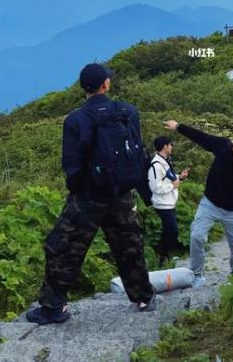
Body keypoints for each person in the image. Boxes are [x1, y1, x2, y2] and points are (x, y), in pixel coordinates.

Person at [26, 63, 156, 325]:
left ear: (83, 88)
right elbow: (138, 152)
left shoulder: (75, 120)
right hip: (121, 194)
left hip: (88, 197)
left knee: (62, 247)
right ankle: (144, 297)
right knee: (129, 245)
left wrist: (77, 193)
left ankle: (53, 308)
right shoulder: (129, 112)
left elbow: (72, 166)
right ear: (106, 84)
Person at [164, 119, 233, 287]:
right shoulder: (224, 147)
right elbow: (201, 137)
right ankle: (197, 274)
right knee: (196, 236)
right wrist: (178, 126)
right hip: (210, 203)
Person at [149, 136, 190, 266]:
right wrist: (173, 186)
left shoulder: (165, 161)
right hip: (162, 203)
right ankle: (162, 255)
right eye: (170, 145)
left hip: (168, 202)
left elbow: (168, 177)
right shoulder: (156, 164)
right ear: (165, 146)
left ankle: (164, 255)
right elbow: (155, 187)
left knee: (168, 230)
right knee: (173, 231)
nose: (172, 147)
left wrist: (180, 177)